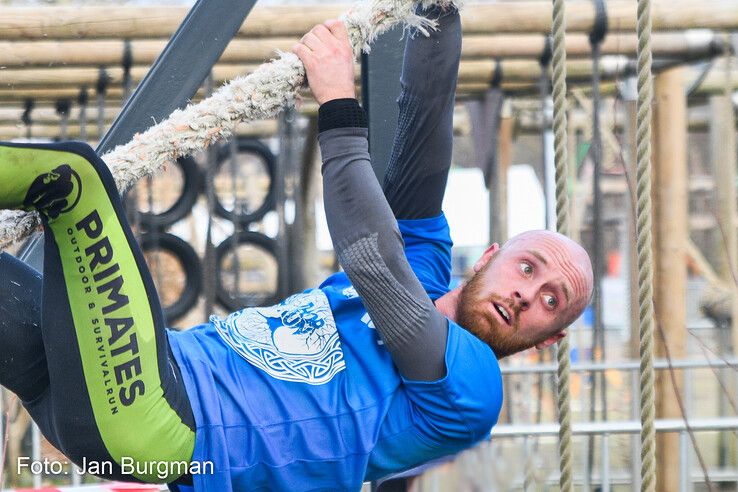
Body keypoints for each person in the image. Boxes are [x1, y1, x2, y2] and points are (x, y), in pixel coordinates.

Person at [0, 6, 593, 491]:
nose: (525, 294)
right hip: (106, 391)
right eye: (527, 266)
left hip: (162, 421)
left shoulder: (473, 386)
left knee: (73, 182)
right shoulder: (427, 265)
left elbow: (371, 263)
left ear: (550, 337)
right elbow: (425, 124)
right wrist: (441, 13)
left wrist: (338, 103)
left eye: (550, 299)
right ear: (488, 257)